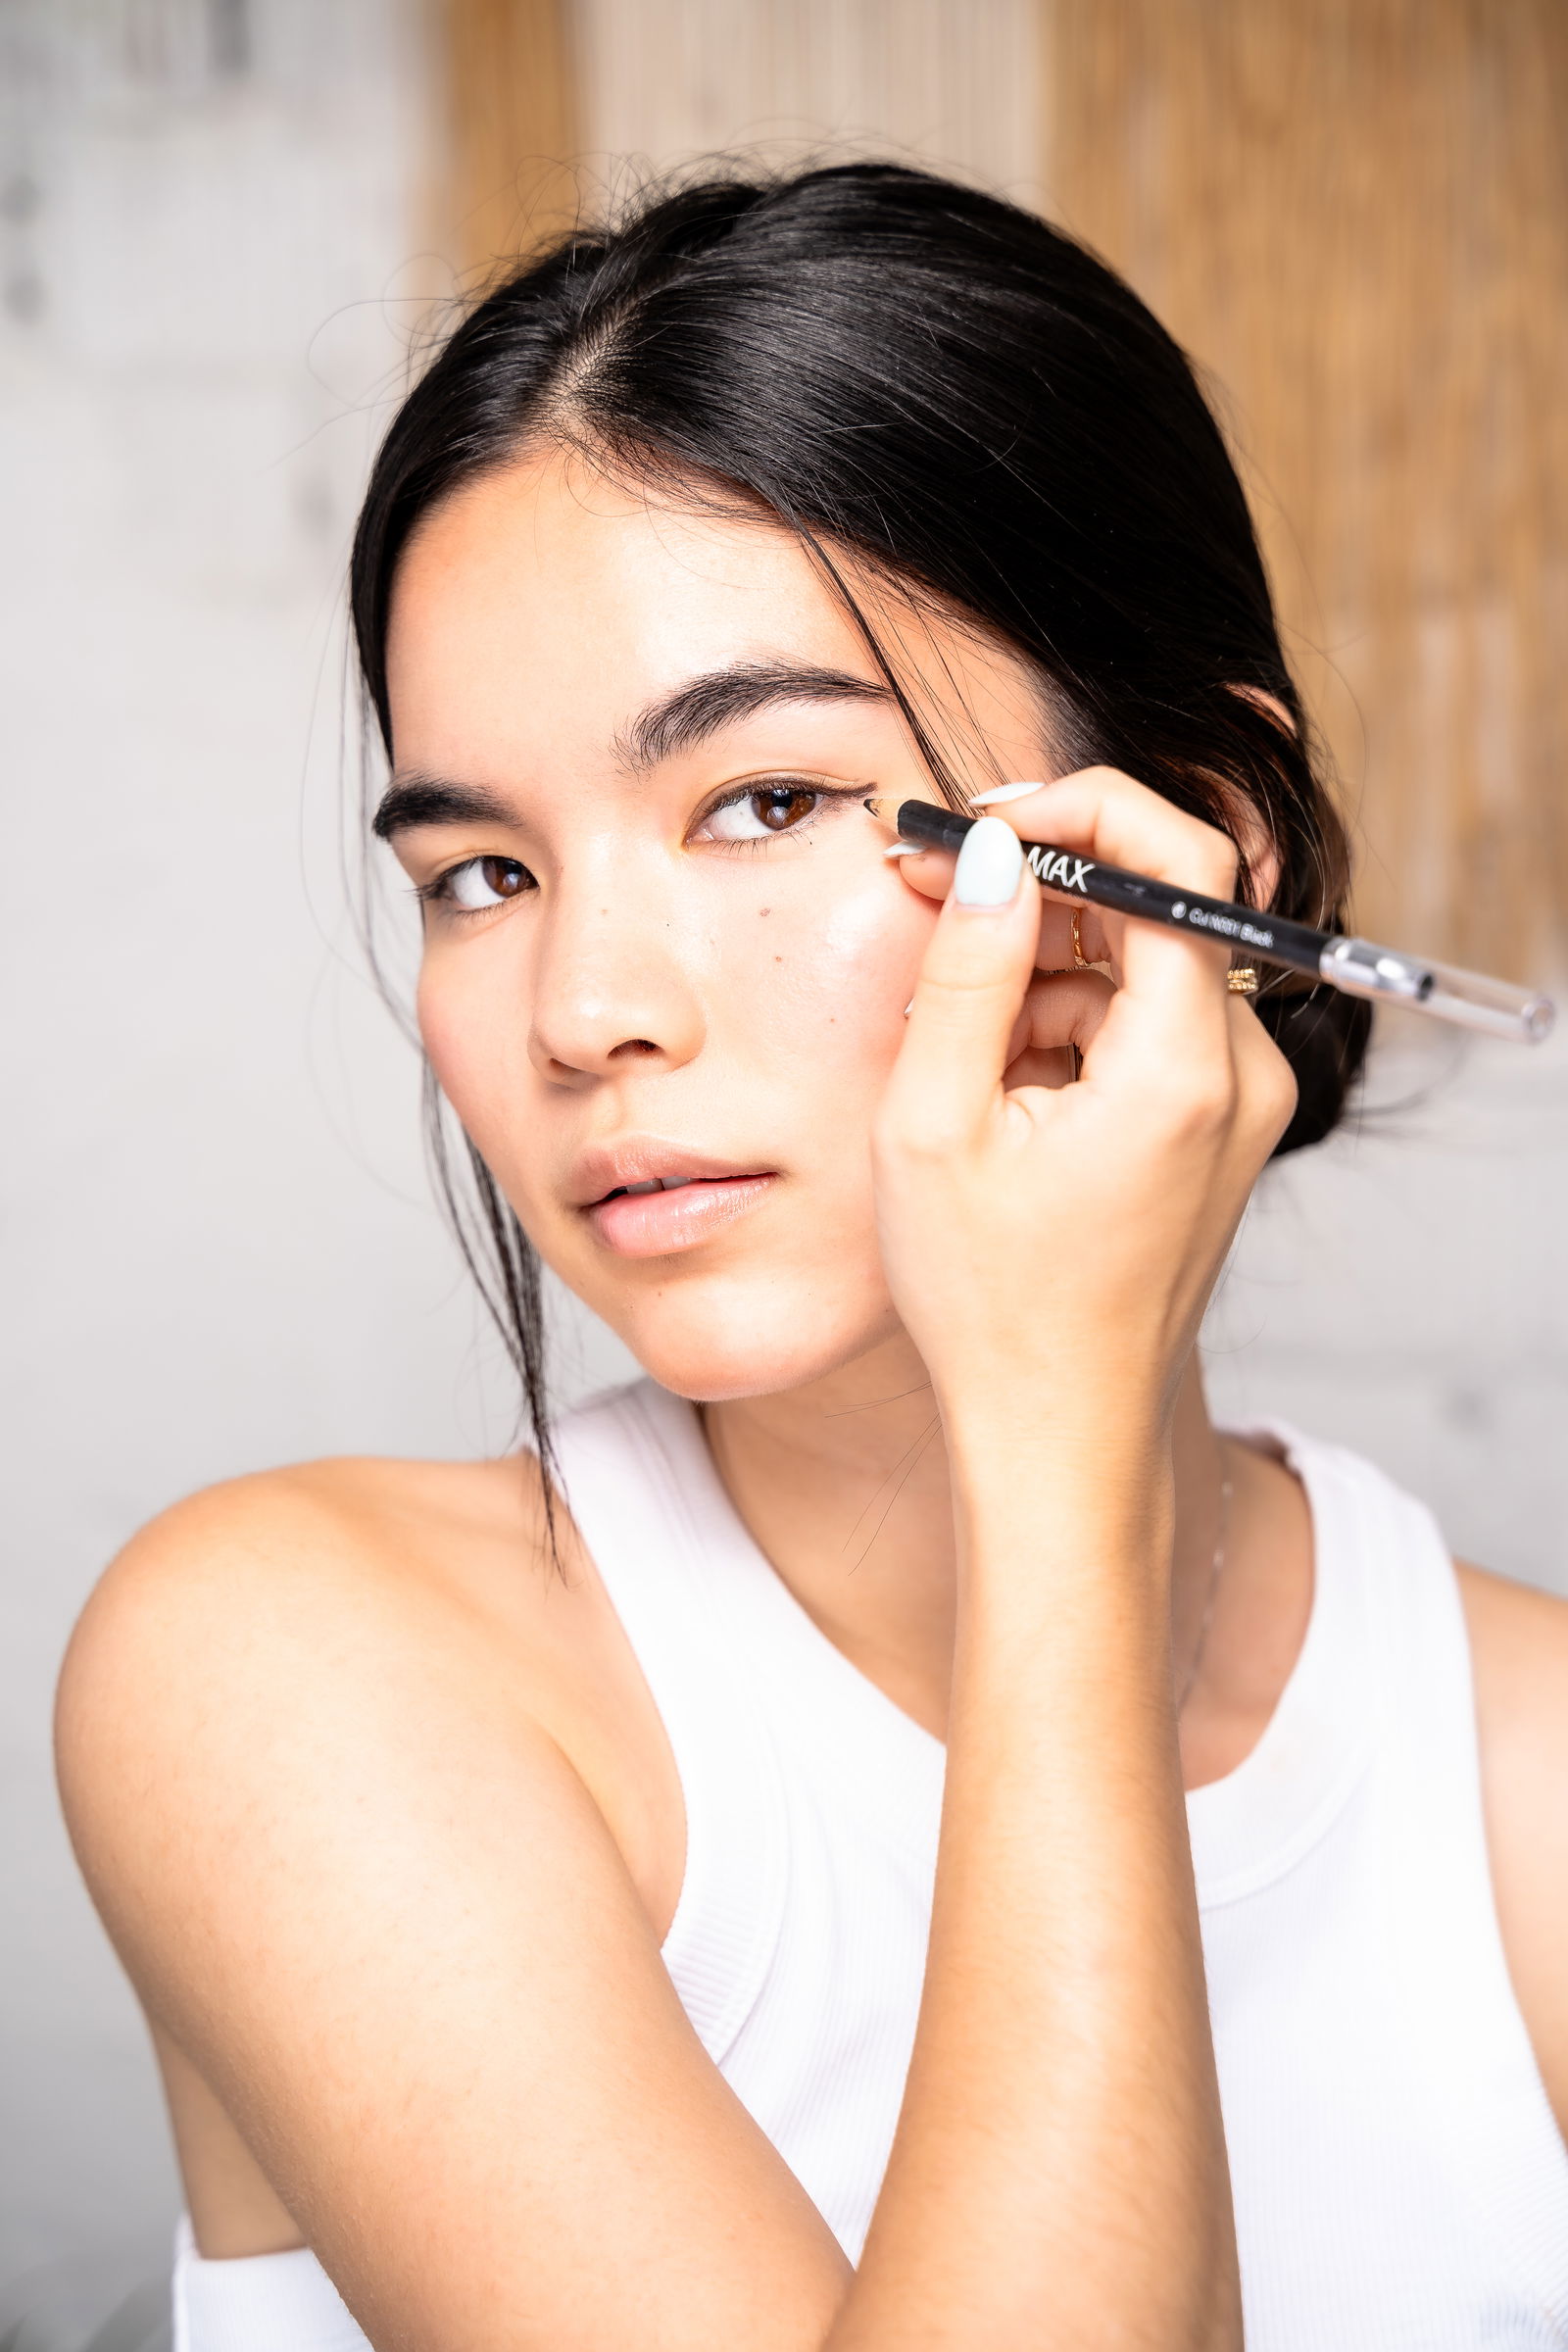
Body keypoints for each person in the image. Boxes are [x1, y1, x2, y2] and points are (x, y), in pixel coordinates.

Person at [55, 166, 1568, 2351]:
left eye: (759, 803)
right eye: (478, 871)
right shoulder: (287, 1672)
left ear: (1178, 861)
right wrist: (1047, 1462)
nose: (583, 1008)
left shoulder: (1516, 1760)